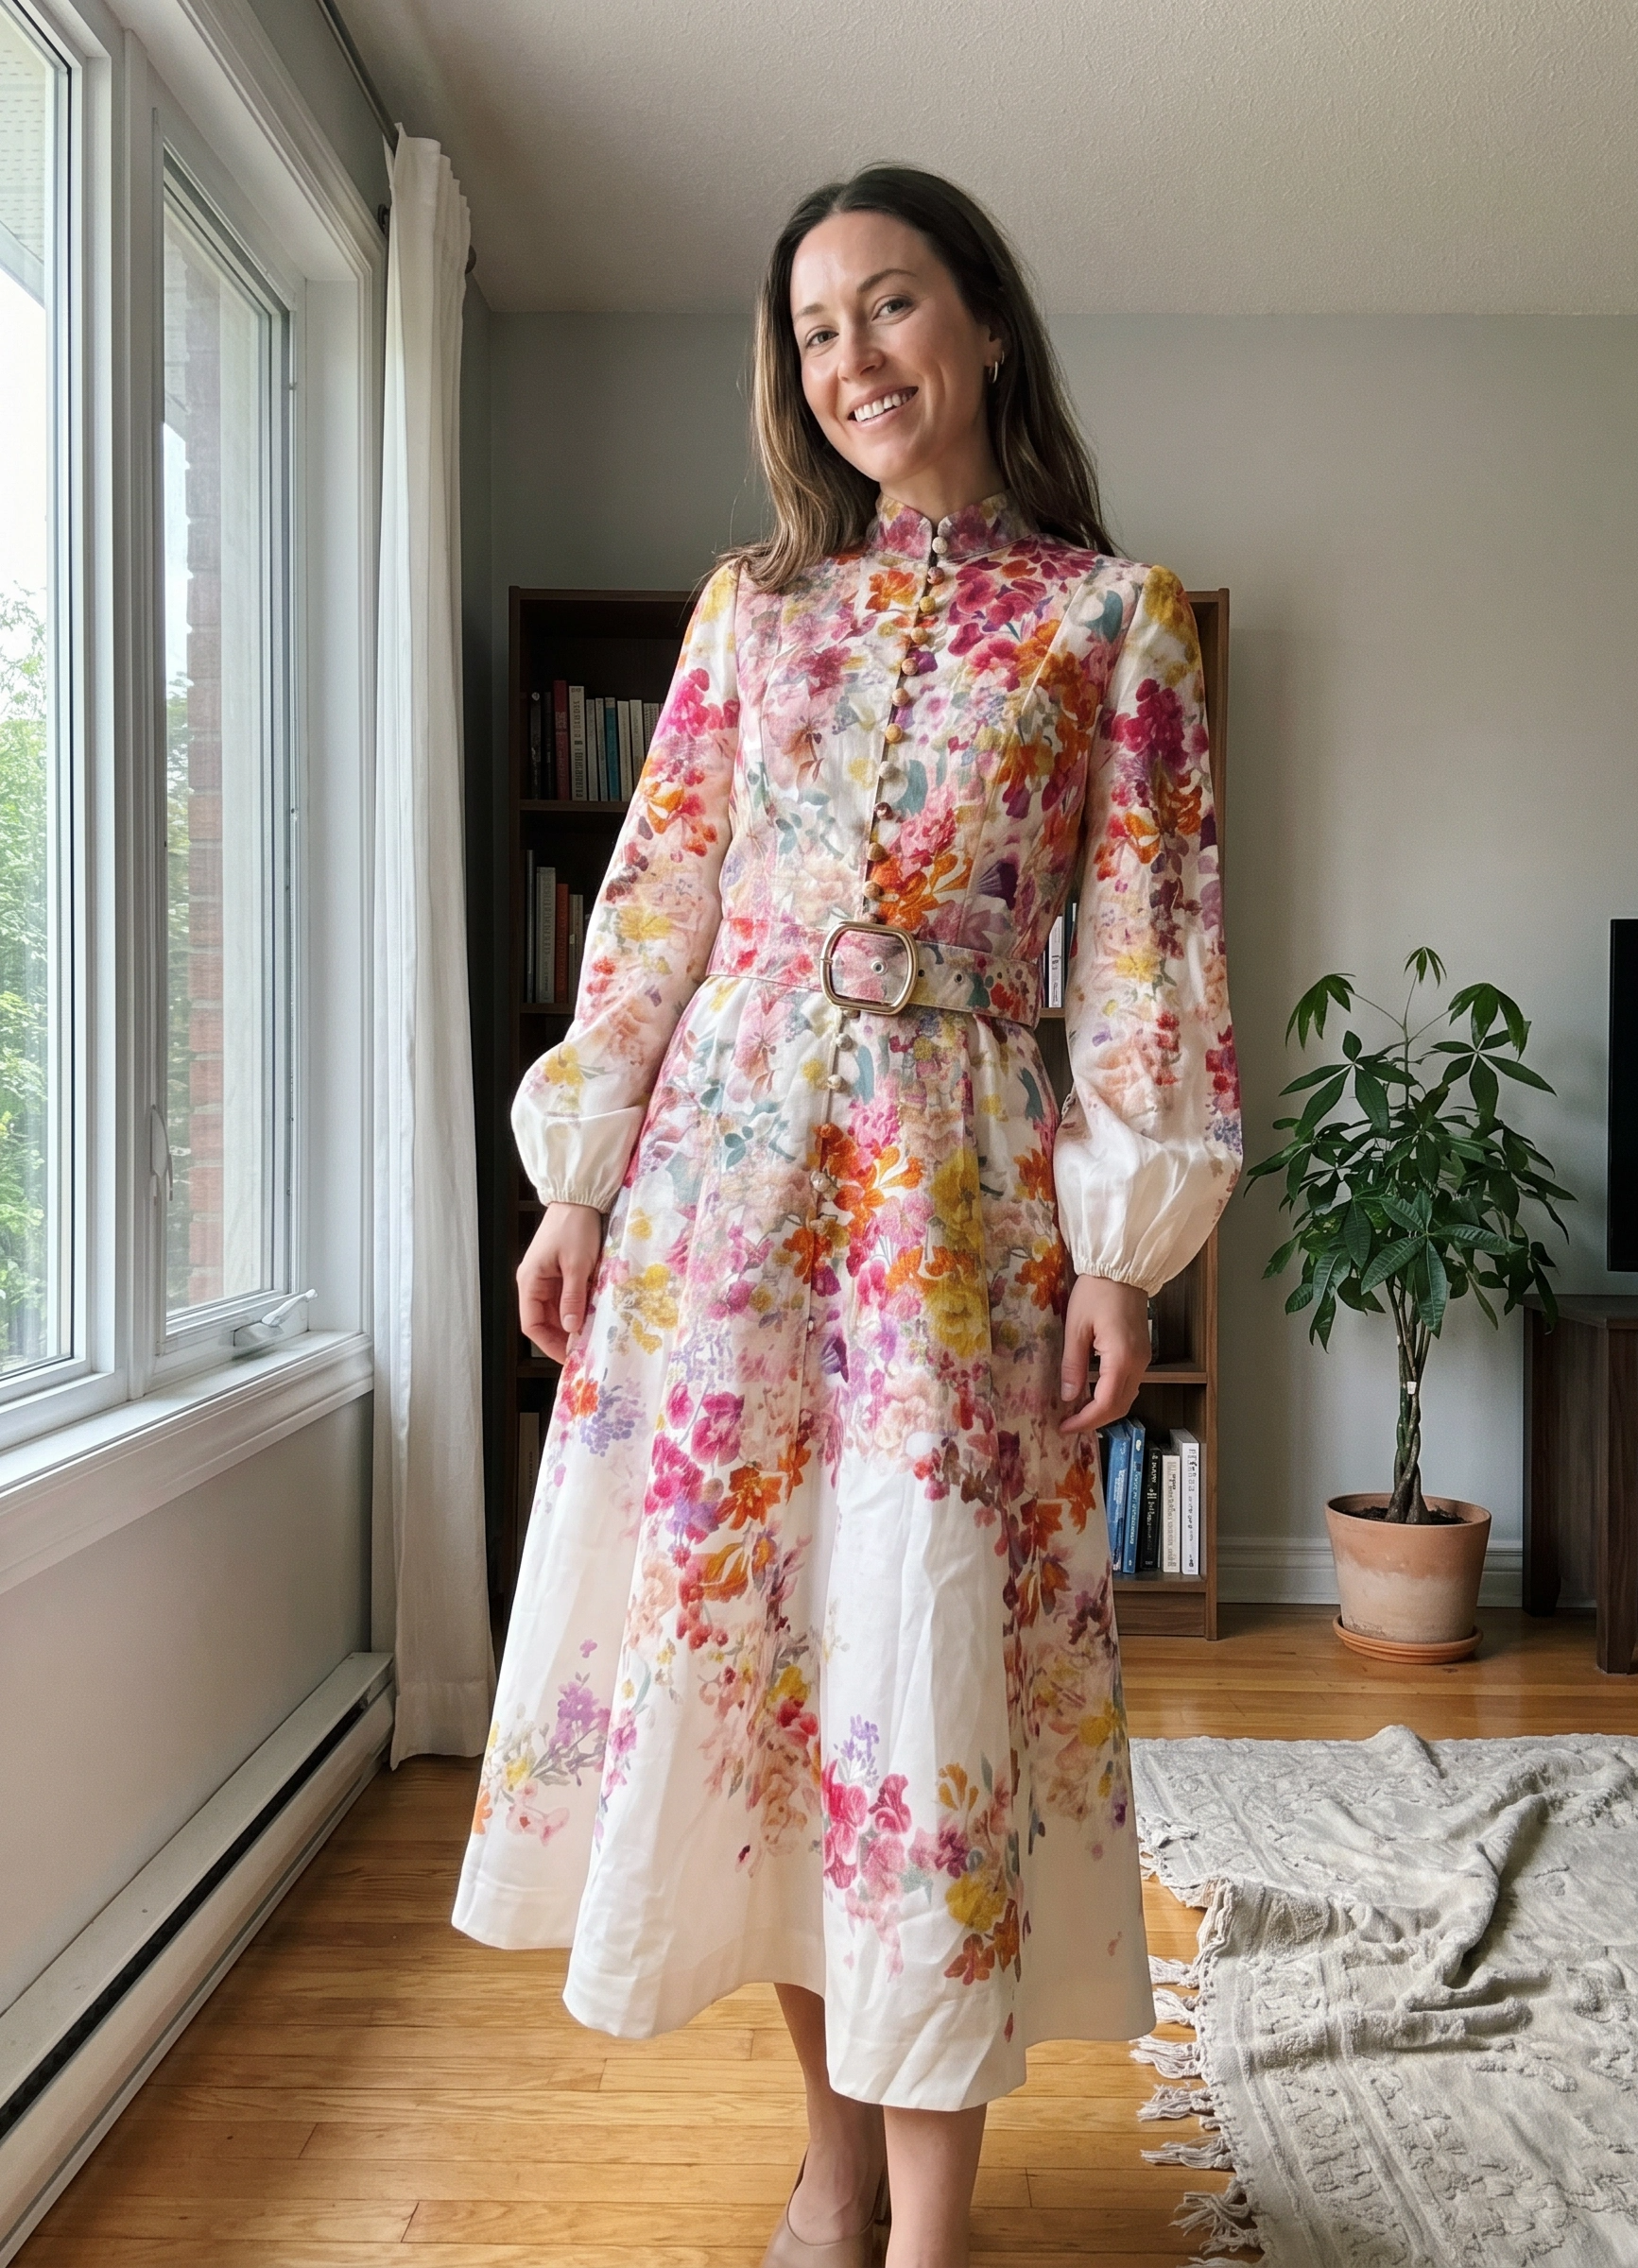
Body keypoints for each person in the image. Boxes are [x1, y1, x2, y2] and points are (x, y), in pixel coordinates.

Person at [453, 164, 1242, 2268]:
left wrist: (1120, 1248)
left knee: (923, 1675)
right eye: (814, 330)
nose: (853, 359)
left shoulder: (1113, 620)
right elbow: (653, 906)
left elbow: (1149, 952)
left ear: (980, 322)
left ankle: (927, 2223)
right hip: (725, 1190)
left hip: (955, 1202)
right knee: (769, 1687)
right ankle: (830, 2158)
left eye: (888, 306)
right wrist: (577, 1182)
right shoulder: (751, 608)